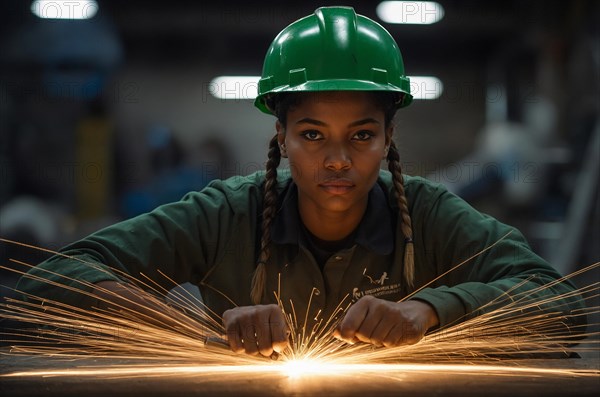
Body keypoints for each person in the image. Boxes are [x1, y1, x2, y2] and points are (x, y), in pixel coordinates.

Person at [17, 6, 584, 359]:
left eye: (361, 136)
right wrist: (191, 321)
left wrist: (429, 311)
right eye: (313, 135)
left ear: (389, 138)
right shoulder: (225, 215)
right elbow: (46, 286)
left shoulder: (431, 215)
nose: (337, 160)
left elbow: (560, 306)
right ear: (281, 136)